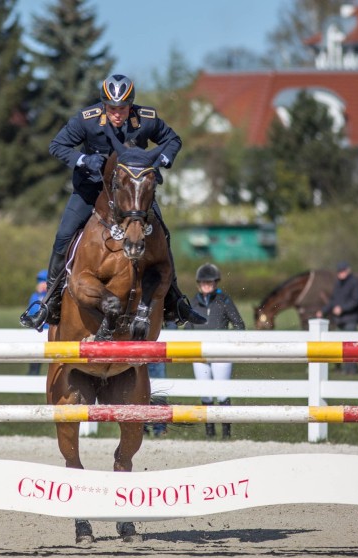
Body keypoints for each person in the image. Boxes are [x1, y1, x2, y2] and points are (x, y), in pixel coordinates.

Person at [19, 73, 205, 331]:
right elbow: (57, 145)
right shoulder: (87, 120)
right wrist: (83, 160)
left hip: (132, 194)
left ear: (131, 105)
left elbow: (173, 140)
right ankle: (49, 302)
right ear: (104, 104)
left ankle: (174, 300)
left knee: (163, 234)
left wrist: (161, 160)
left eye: (123, 108)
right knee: (64, 235)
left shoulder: (146, 119)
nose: (117, 114)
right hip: (91, 190)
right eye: (112, 108)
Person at [184, 263, 245, 439]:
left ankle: (226, 432)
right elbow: (188, 328)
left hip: (221, 354)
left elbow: (239, 324)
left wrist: (230, 344)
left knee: (222, 392)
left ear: (215, 283)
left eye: (210, 282)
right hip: (199, 354)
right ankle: (209, 432)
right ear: (199, 284)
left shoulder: (224, 300)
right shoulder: (193, 302)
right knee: (205, 392)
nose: (207, 285)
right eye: (204, 282)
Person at [316, 261, 358, 374]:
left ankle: (352, 369)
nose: (340, 273)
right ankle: (345, 369)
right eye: (339, 271)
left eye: (342, 271)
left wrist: (342, 308)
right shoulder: (338, 283)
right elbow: (333, 301)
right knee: (341, 347)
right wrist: (323, 311)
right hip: (340, 321)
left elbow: (356, 301)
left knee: (351, 346)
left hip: (350, 319)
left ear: (348, 270)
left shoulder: (354, 282)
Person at [25, 269, 49, 375]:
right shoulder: (35, 296)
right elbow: (31, 312)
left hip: (48, 333)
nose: (41, 284)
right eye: (40, 281)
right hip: (36, 334)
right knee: (34, 363)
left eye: (43, 281)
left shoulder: (51, 297)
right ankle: (30, 381)